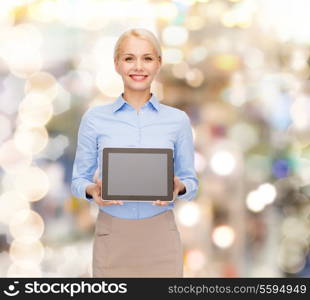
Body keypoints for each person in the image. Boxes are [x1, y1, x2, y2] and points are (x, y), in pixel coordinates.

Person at [71, 28, 198, 278]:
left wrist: (178, 187)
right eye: (129, 58)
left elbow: (192, 182)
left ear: (158, 64)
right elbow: (78, 180)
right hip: (113, 236)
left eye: (147, 58)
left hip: (161, 237)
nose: (138, 67)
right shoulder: (95, 119)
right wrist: (92, 191)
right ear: (117, 64)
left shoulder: (177, 121)